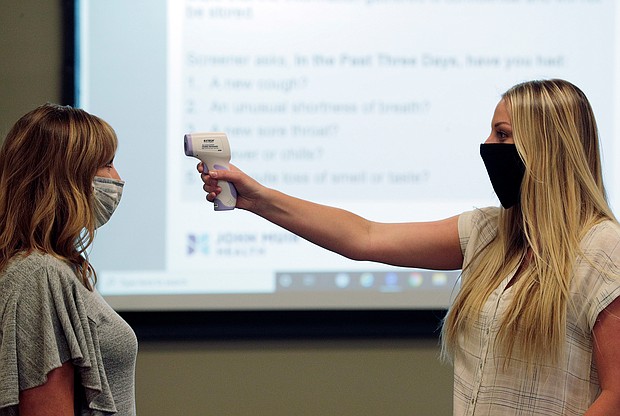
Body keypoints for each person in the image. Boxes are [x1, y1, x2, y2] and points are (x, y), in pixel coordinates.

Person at [199, 79, 620, 415]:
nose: (489, 146)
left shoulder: (602, 248)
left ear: (544, 149)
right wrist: (256, 199)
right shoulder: (489, 233)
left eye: (503, 134)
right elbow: (364, 237)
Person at [0, 104, 137, 415]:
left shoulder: (61, 267)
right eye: (106, 164)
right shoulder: (40, 274)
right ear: (65, 177)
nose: (117, 178)